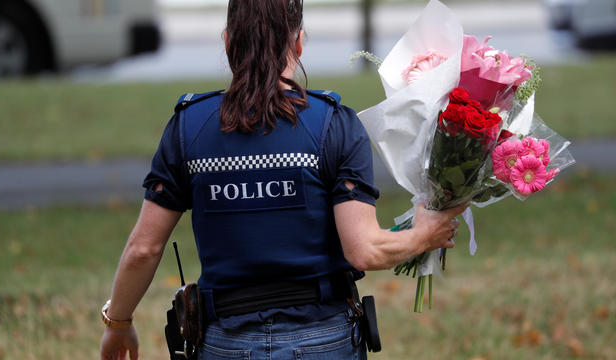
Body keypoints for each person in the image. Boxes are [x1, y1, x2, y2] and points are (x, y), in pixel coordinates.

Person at [99, 0, 465, 359]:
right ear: (299, 42)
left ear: (228, 42)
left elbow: (143, 249)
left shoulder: (187, 127)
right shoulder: (334, 124)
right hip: (325, 339)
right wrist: (422, 235)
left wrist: (118, 324)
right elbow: (365, 250)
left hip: (225, 342)